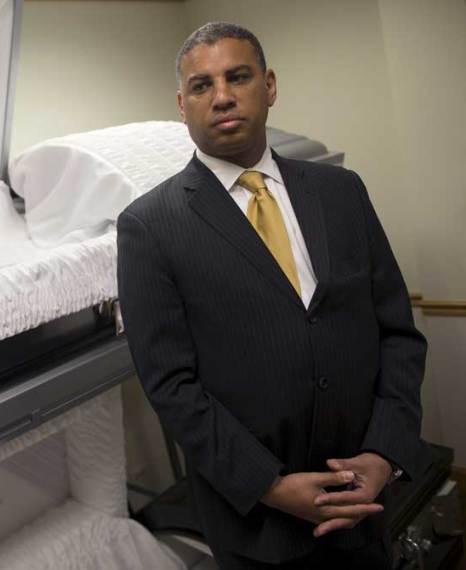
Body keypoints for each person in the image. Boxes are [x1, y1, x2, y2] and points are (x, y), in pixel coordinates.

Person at [117, 22, 428, 569]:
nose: (222, 97)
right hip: (257, 526)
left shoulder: (341, 192)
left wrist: (384, 454)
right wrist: (270, 486)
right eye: (201, 86)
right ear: (182, 105)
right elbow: (171, 386)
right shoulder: (151, 226)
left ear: (270, 86)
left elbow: (398, 333)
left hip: (365, 502)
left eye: (238, 77)